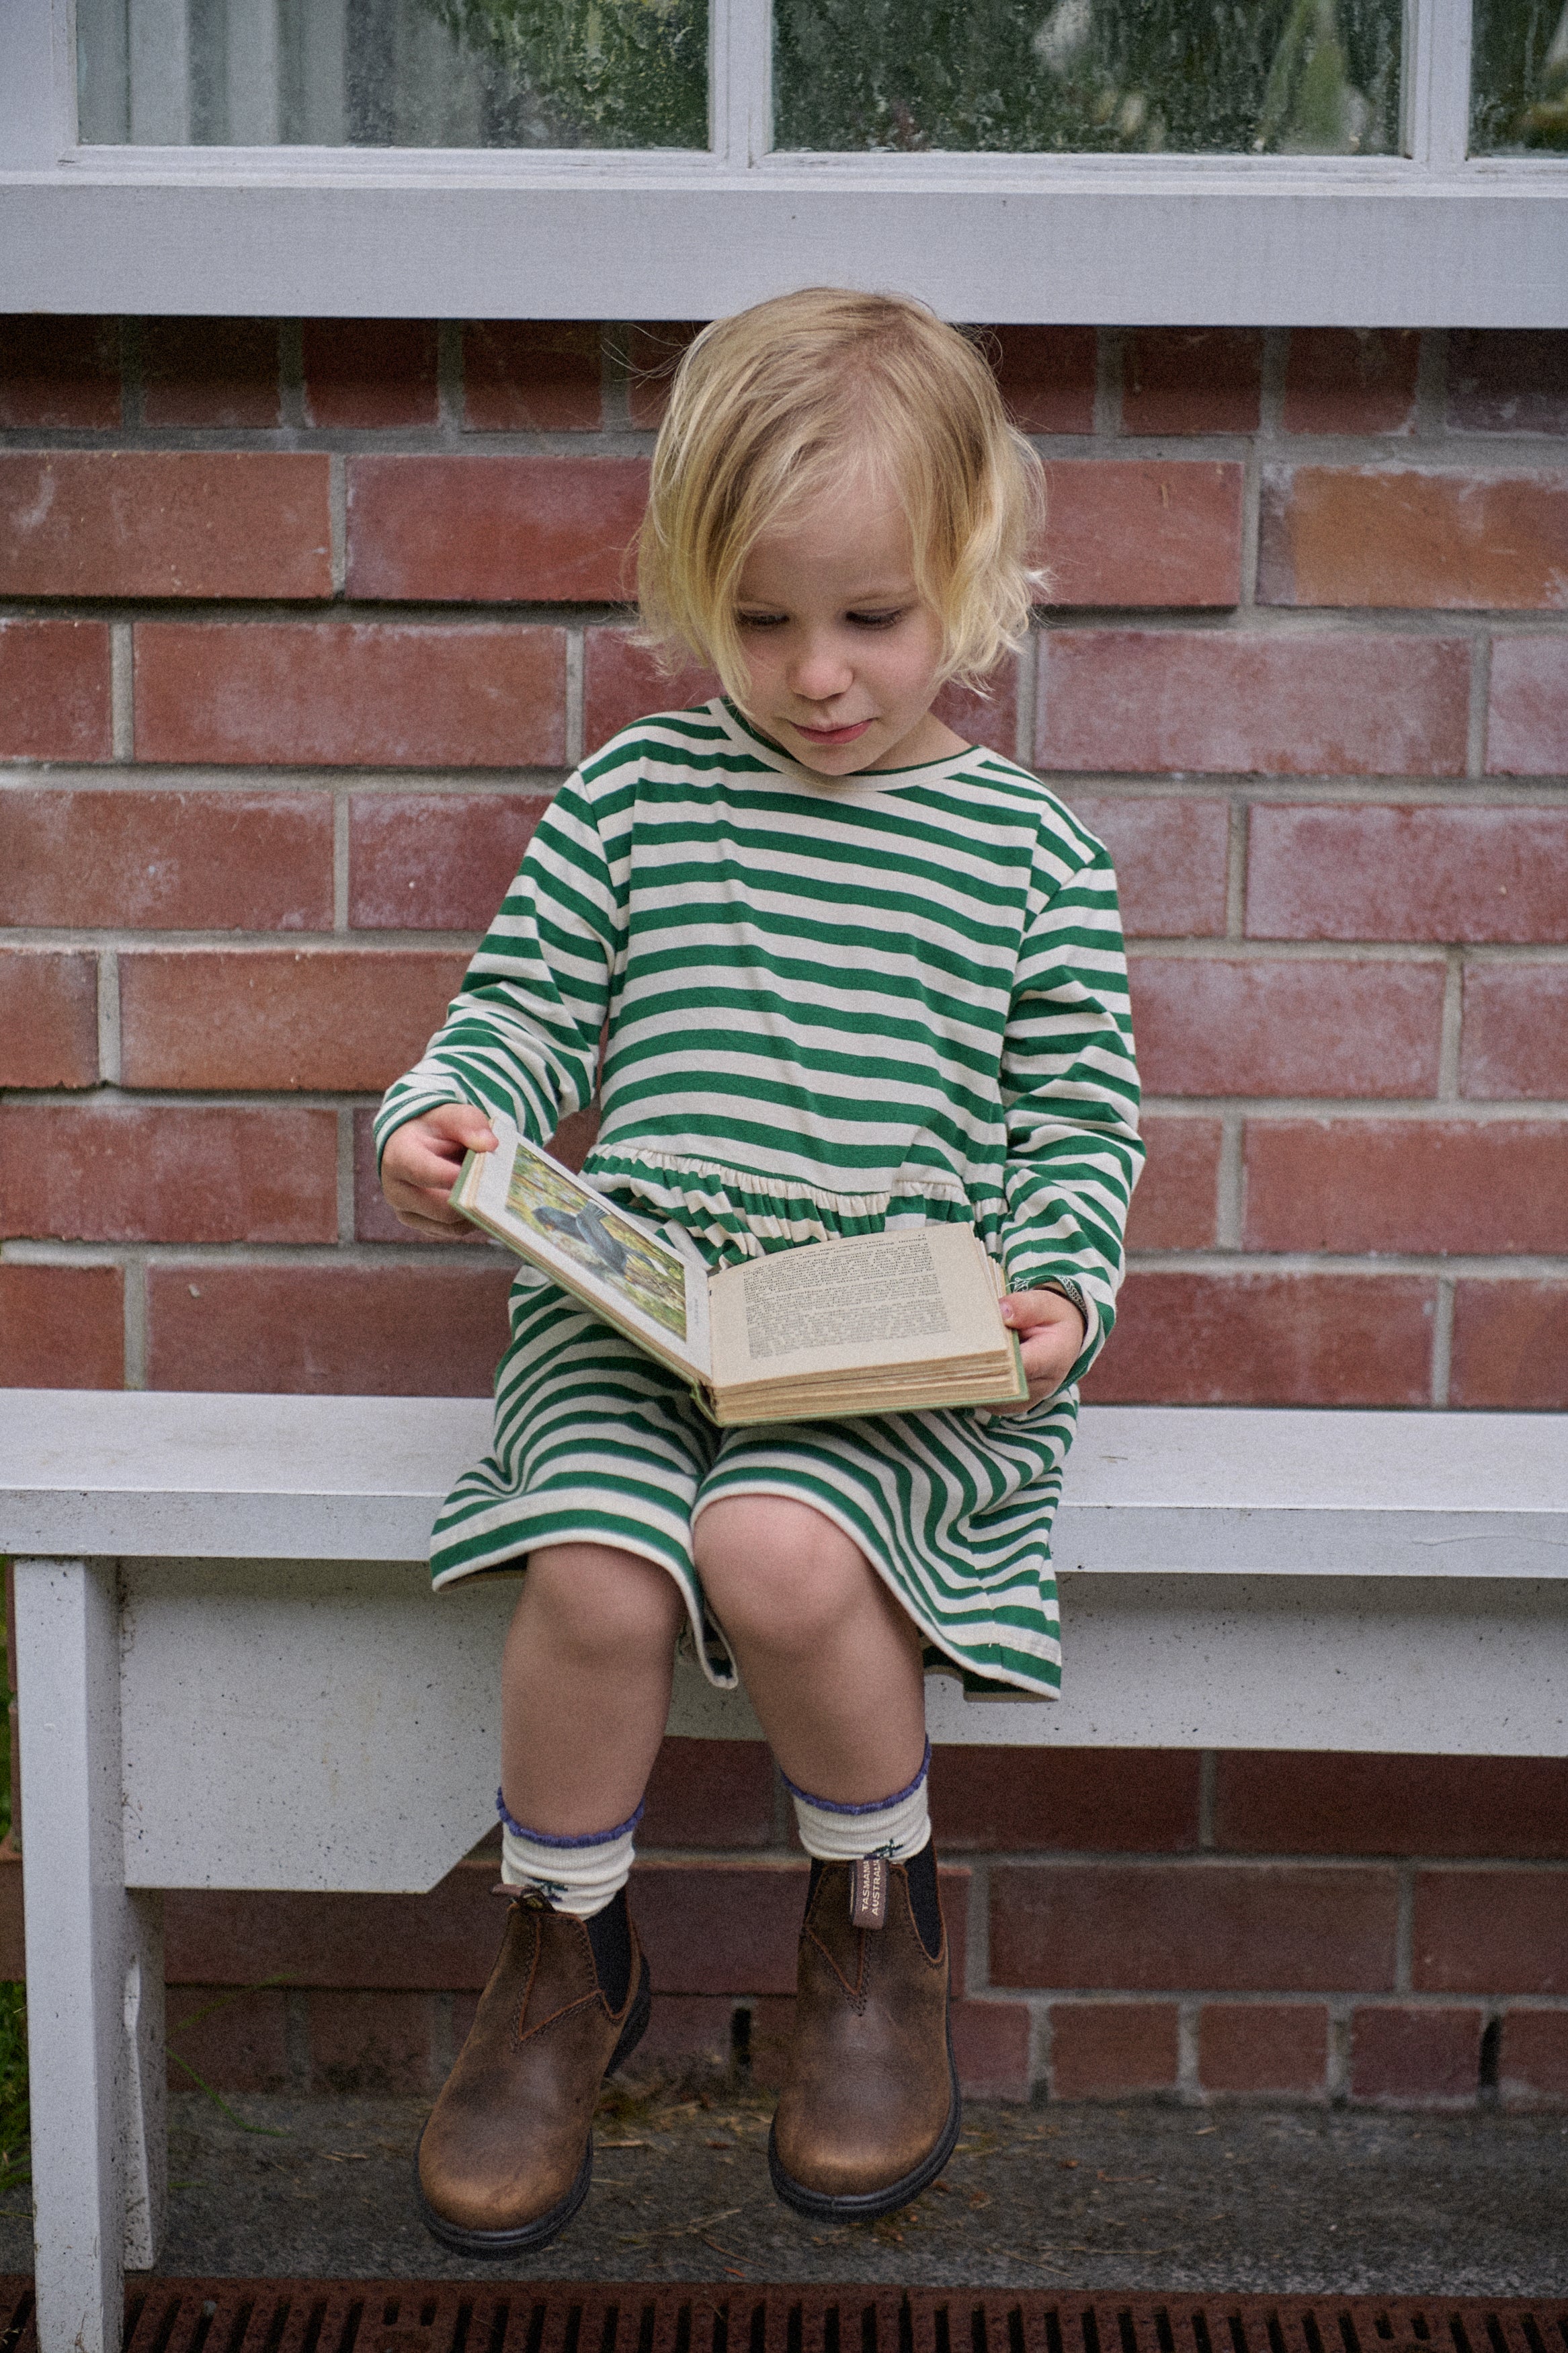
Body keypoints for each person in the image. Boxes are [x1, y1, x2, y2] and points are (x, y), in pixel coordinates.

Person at [376, 286, 1143, 2257]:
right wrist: (453, 1115)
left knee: (780, 1555)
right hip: (643, 1318)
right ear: (693, 589)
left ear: (971, 578)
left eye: (870, 617)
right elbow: (521, 1015)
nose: (815, 676)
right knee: (600, 1565)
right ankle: (559, 1954)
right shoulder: (639, 799)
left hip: (878, 1344)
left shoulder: (1033, 857)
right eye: (764, 617)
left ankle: (872, 1922)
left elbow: (1078, 1131)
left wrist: (1054, 1294)